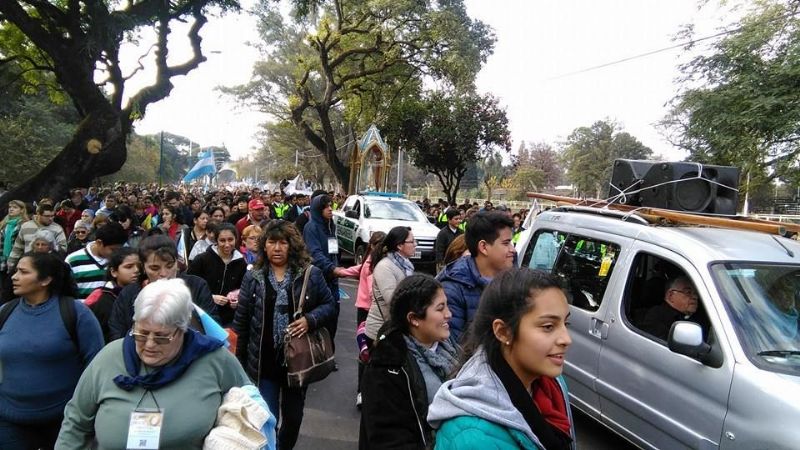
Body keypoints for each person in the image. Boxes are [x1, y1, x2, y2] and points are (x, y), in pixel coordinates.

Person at [56, 278, 269, 449]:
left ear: (182, 330)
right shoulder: (109, 358)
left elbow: (251, 411)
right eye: (140, 333)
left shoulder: (215, 360)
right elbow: (76, 422)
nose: (148, 344)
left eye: (161, 337)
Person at [428, 268, 576, 450]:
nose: (566, 339)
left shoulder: (551, 384)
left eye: (565, 323)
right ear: (503, 331)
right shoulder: (472, 439)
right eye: (548, 326)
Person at [233, 219, 336, 449]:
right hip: (263, 363)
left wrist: (310, 320)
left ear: (292, 246)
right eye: (272, 242)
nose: (277, 248)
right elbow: (241, 322)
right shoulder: (254, 277)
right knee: (267, 419)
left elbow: (329, 305)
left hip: (297, 363)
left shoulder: (310, 274)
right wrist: (238, 363)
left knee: (293, 418)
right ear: (264, 245)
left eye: (282, 243)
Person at [0, 252, 104, 449]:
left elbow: (95, 365)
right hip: (9, 420)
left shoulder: (75, 313)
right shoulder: (5, 312)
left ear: (46, 279)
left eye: (23, 272)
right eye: (16, 271)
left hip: (63, 421)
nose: (14, 277)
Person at [359, 274, 458, 449]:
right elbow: (388, 439)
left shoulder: (452, 350)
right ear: (413, 319)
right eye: (440, 308)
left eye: (447, 306)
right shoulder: (387, 367)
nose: (449, 314)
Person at [107, 235, 219, 341]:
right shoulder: (128, 294)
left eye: (170, 266)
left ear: (177, 263)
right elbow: (117, 333)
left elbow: (212, 327)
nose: (164, 273)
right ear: (143, 267)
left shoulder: (197, 286)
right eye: (154, 268)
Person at [437, 211, 516, 342]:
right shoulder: (453, 288)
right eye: (506, 243)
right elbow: (454, 347)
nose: (512, 249)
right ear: (484, 247)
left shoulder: (512, 281)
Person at [338, 230, 386, 407]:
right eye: (376, 245)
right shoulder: (372, 263)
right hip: (369, 312)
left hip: (370, 311)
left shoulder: (377, 263)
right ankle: (363, 391)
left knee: (369, 351)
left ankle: (366, 390)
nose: (378, 248)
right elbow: (361, 273)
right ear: (371, 245)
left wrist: (341, 272)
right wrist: (341, 272)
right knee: (367, 351)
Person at [304, 193, 347, 343]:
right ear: (317, 209)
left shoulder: (331, 225)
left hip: (332, 280)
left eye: (331, 205)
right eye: (326, 206)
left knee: (333, 315)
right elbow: (315, 254)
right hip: (318, 280)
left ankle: (329, 353)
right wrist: (332, 269)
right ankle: (318, 353)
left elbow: (333, 251)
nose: (330, 209)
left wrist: (337, 268)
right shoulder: (311, 228)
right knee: (320, 317)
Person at [187, 223, 246, 327]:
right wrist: (211, 297)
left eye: (230, 240)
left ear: (236, 239)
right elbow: (189, 287)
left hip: (229, 318)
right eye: (222, 240)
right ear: (216, 241)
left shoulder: (241, 263)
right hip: (203, 316)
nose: (227, 244)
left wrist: (237, 300)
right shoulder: (202, 260)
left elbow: (243, 288)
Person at [365, 226, 417, 343]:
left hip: (396, 330)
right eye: (412, 241)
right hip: (380, 332)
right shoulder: (385, 267)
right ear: (399, 245)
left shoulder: (406, 265)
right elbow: (393, 300)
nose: (415, 244)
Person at [84, 247, 141, 343]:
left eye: (139, 266)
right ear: (114, 272)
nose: (136, 270)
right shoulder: (103, 299)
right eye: (129, 267)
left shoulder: (145, 292)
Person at [65, 222, 128, 301]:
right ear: (99, 243)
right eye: (113, 249)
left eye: (120, 249)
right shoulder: (73, 260)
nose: (116, 253)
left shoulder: (122, 260)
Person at [640, 276, 708, 341]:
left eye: (696, 293)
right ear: (670, 295)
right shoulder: (657, 315)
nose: (695, 297)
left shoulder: (701, 316)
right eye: (688, 292)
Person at [6, 203, 67, 272]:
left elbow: (63, 249)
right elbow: (17, 248)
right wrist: (11, 265)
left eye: (52, 216)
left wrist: (52, 246)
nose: (50, 219)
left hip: (48, 267)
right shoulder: (26, 226)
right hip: (28, 266)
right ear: (38, 214)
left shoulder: (57, 228)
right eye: (47, 216)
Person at [0, 200, 28, 303]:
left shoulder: (24, 225)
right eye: (10, 207)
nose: (11, 209)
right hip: (3, 261)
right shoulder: (4, 224)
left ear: (21, 210)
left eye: (15, 207)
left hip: (17, 261)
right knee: (4, 290)